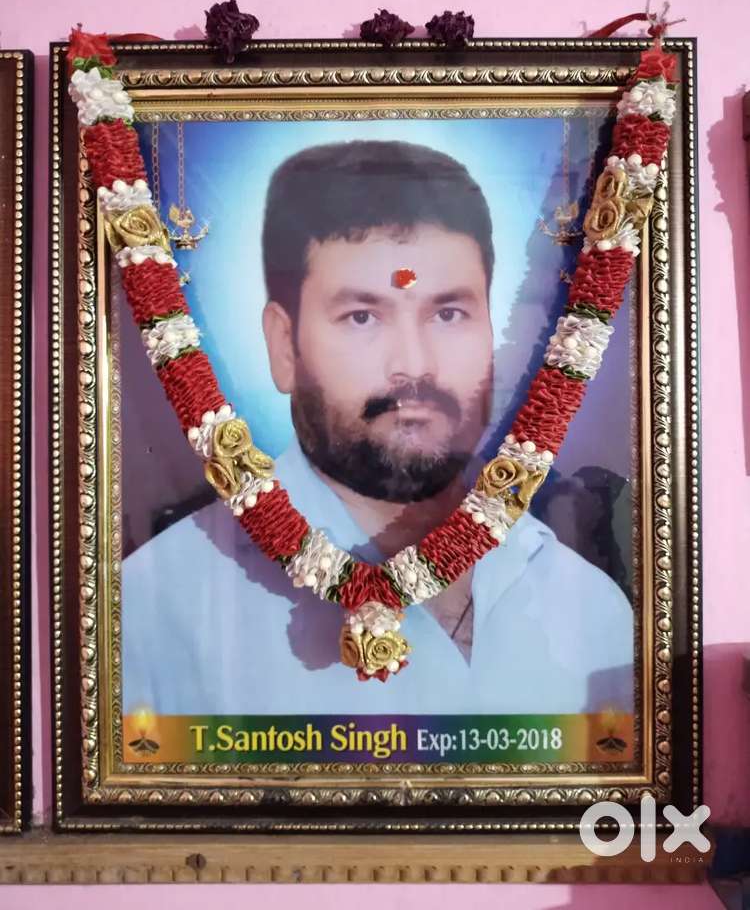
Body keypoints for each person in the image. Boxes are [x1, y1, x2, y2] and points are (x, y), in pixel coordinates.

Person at [123, 140, 633, 717]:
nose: (414, 365)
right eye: (361, 316)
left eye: (449, 313)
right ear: (284, 346)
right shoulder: (156, 607)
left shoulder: (591, 607)